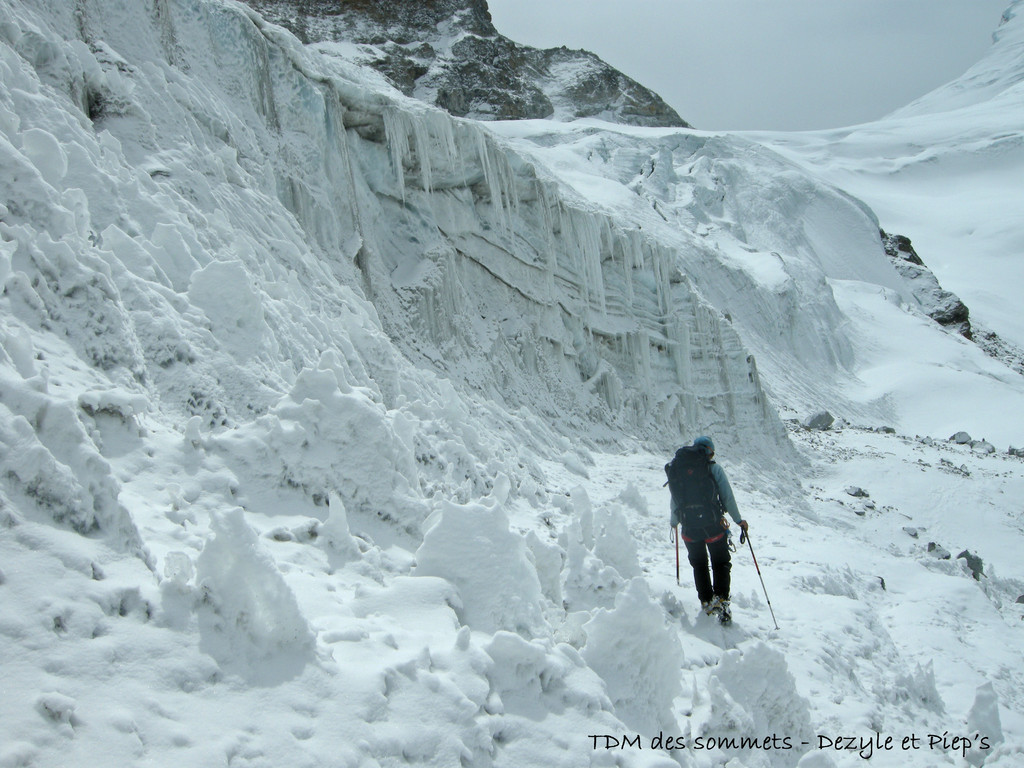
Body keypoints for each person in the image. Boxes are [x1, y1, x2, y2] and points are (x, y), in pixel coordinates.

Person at [669, 436, 748, 622]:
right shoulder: (713, 469)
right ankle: (721, 601)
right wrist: (738, 520)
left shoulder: (679, 470)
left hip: (689, 528)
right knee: (720, 563)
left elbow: (675, 499)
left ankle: (706, 602)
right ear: (709, 451)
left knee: (699, 565)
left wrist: (674, 522)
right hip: (713, 527)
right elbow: (727, 498)